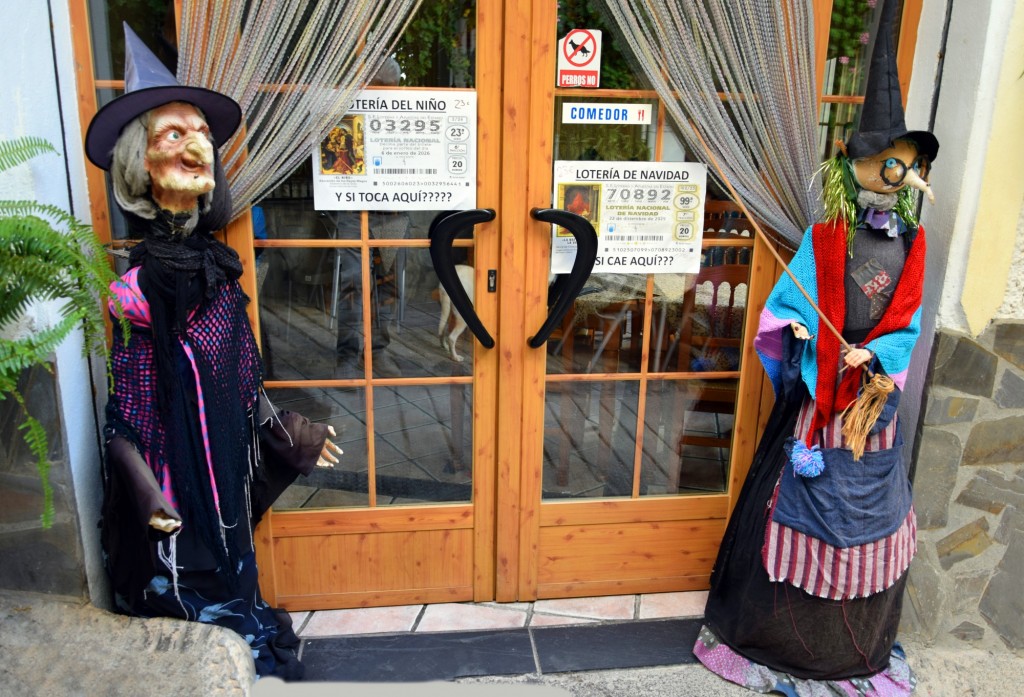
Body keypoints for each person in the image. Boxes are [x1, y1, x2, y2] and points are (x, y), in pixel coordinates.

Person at [693, 1, 939, 694]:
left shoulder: (912, 242)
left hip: (871, 404)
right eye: (891, 164)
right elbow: (788, 299)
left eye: (907, 165)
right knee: (795, 502)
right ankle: (781, 636)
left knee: (867, 511)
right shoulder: (827, 234)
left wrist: (883, 353)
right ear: (860, 165)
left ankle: (849, 645)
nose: (902, 176)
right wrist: (801, 329)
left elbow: (910, 314)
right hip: (818, 399)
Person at [84, 24, 341, 679]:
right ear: (139, 164)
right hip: (178, 485)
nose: (196, 142)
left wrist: (281, 429)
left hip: (224, 467)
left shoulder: (218, 272)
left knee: (236, 568)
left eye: (200, 131)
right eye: (174, 133)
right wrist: (148, 493)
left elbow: (238, 371)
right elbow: (128, 412)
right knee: (197, 604)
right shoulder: (136, 294)